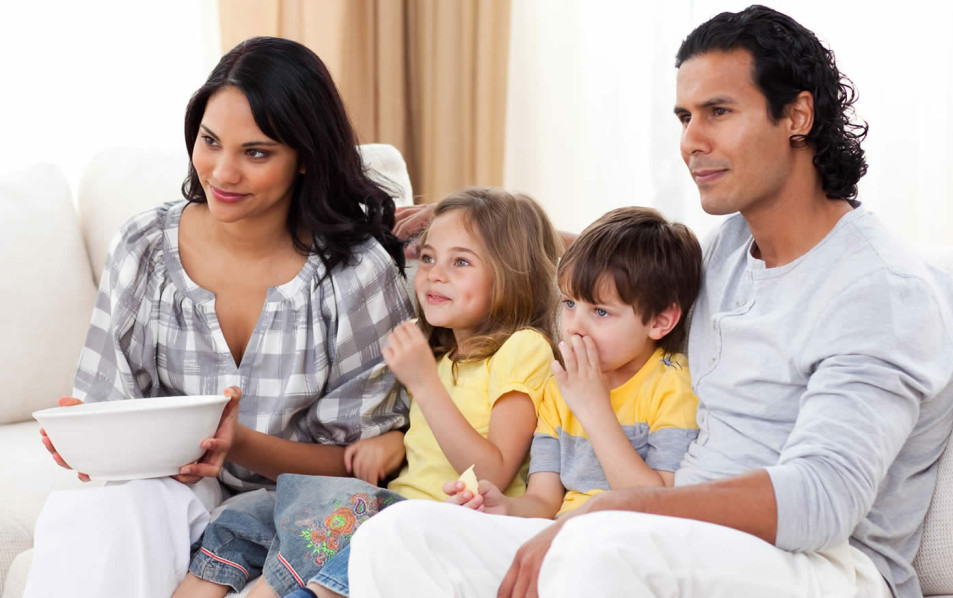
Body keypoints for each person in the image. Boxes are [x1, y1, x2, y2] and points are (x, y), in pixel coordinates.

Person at [346, 6, 953, 598]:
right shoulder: (731, 250)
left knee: (599, 550)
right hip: (667, 537)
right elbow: (628, 278)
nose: (690, 141)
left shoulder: (879, 290)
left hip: (823, 566)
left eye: (718, 112)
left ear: (797, 115)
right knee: (396, 538)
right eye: (684, 117)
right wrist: (489, 230)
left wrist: (624, 508)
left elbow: (822, 502)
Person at [26, 36, 412, 598]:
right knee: (102, 511)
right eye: (210, 141)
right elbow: (110, 406)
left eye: (256, 153)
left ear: (304, 158)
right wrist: (90, 444)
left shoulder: (356, 273)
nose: (221, 172)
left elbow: (362, 468)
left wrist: (236, 443)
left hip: (304, 505)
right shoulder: (144, 247)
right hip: (175, 494)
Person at [193, 187, 562, 598]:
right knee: (252, 512)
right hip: (393, 505)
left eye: (461, 261)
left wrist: (424, 384)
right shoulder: (439, 357)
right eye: (427, 257)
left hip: (443, 522)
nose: (435, 274)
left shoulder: (523, 348)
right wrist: (393, 442)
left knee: (335, 518)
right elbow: (430, 445)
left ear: (514, 273)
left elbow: (491, 473)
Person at [444, 206, 702, 521]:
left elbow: (656, 506)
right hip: (556, 533)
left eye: (601, 312)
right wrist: (504, 507)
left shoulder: (673, 386)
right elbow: (542, 500)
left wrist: (594, 408)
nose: (574, 326)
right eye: (569, 303)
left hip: (621, 537)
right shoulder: (559, 387)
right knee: (404, 524)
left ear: (661, 321)